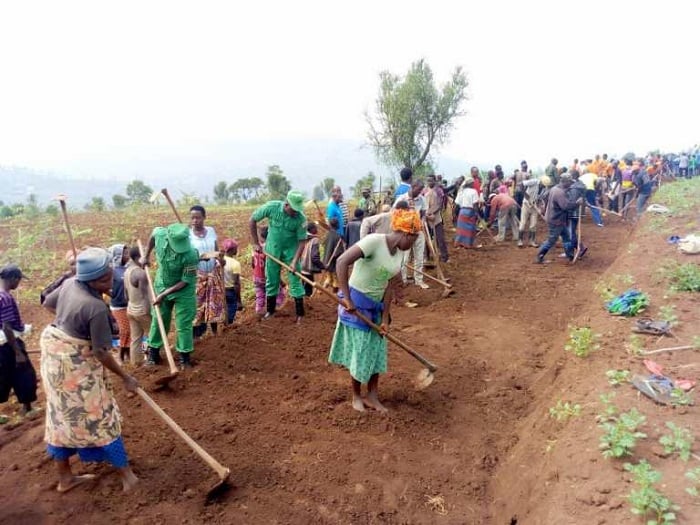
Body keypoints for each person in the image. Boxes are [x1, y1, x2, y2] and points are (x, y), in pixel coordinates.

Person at [40, 248, 139, 493]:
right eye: (105, 278)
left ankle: (65, 478)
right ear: (90, 280)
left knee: (61, 416)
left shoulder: (70, 283)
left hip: (55, 359)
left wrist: (71, 321)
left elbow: (47, 304)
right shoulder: (95, 307)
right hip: (74, 366)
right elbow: (101, 352)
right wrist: (126, 377)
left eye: (110, 275)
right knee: (101, 416)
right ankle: (128, 477)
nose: (112, 281)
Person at [328, 208, 420, 413]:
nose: (411, 245)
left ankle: (372, 396)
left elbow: (389, 285)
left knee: (377, 353)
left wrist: (385, 318)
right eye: (412, 240)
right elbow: (342, 261)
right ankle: (356, 396)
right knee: (360, 352)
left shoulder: (399, 254)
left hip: (377, 307)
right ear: (406, 234)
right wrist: (348, 299)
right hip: (357, 304)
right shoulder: (373, 242)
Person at [141, 223, 199, 369]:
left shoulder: (191, 254)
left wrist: (164, 294)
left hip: (183, 290)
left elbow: (186, 281)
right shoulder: (161, 234)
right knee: (159, 319)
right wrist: (146, 256)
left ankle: (184, 358)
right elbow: (153, 234)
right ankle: (153, 354)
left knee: (183, 323)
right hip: (161, 284)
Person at [249, 190, 307, 322]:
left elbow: (302, 241)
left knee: (295, 280)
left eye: (298, 210)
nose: (296, 212)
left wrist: (294, 261)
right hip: (272, 251)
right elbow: (252, 220)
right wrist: (256, 243)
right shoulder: (271, 207)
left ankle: (300, 313)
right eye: (293, 209)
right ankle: (270, 310)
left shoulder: (301, 219)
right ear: (286, 204)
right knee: (272, 280)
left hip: (291, 252)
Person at [0, 264, 38, 416]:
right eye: (19, 280)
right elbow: (7, 327)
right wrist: (17, 352)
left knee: (3, 376)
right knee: (24, 374)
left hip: (2, 343)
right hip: (9, 344)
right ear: (13, 278)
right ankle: (27, 408)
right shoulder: (6, 297)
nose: (18, 284)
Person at [189, 205, 225, 339]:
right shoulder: (188, 235)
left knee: (214, 303)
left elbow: (216, 248)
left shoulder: (211, 231)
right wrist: (201, 257)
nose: (195, 220)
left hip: (213, 272)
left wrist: (220, 258)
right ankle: (196, 336)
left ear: (204, 217)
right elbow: (188, 257)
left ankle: (215, 334)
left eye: (198, 217)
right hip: (198, 274)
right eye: (192, 218)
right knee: (198, 305)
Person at [535, 173, 583, 263]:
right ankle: (539, 257)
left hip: (557, 219)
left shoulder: (555, 189)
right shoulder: (559, 193)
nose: (571, 184)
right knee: (552, 240)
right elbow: (565, 206)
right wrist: (577, 203)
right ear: (565, 182)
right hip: (556, 220)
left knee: (566, 237)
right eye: (570, 182)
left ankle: (570, 256)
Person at [393, 180, 428, 289]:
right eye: (418, 189)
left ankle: (418, 280)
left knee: (419, 256)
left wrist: (422, 221)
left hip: (418, 232)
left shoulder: (422, 199)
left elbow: (423, 214)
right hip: (405, 233)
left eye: (421, 190)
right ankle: (403, 280)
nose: (419, 192)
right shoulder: (402, 199)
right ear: (412, 187)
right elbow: (394, 213)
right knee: (404, 258)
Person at [124, 246, 151, 365]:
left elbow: (126, 294)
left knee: (136, 338)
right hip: (142, 310)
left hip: (131, 309)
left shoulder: (127, 271)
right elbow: (146, 296)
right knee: (154, 334)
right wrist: (151, 311)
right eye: (144, 255)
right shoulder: (141, 274)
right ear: (137, 258)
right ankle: (154, 358)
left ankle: (136, 363)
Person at [251, 227, 286, 315]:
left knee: (260, 294)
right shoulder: (270, 248)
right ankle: (276, 308)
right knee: (278, 292)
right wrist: (280, 281)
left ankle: (259, 310)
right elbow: (273, 267)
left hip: (257, 278)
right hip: (268, 277)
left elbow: (253, 264)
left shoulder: (256, 248)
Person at [108, 244, 131, 363]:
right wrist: (112, 294)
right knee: (124, 331)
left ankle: (127, 354)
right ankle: (122, 355)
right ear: (118, 255)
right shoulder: (112, 270)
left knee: (129, 330)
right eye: (125, 254)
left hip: (128, 304)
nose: (128, 256)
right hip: (118, 306)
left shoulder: (127, 268)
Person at [425, 174, 449, 263]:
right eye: (428, 181)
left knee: (440, 238)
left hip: (436, 217)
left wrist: (432, 213)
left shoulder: (438, 191)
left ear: (434, 181)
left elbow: (440, 204)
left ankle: (444, 257)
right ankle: (426, 257)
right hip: (426, 218)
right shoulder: (424, 191)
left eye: (431, 180)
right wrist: (427, 214)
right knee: (426, 239)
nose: (429, 182)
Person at [454, 177, 482, 248]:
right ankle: (469, 244)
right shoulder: (474, 191)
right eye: (473, 183)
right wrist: (477, 213)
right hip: (470, 211)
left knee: (461, 229)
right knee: (471, 229)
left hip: (462, 211)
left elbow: (457, 203)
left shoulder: (461, 191)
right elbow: (475, 204)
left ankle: (460, 243)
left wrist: (455, 213)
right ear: (471, 183)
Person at [300, 223, 325, 297]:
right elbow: (314, 257)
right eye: (315, 228)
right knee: (308, 289)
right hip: (308, 267)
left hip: (302, 265)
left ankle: (304, 300)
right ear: (311, 230)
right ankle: (307, 303)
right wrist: (322, 266)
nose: (317, 230)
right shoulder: (315, 240)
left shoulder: (305, 237)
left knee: (304, 286)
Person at [322, 218, 345, 292]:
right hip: (333, 261)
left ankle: (322, 289)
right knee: (335, 278)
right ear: (337, 225)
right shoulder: (338, 237)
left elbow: (324, 244)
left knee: (328, 276)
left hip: (326, 260)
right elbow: (339, 252)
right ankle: (334, 292)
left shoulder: (327, 234)